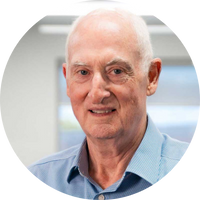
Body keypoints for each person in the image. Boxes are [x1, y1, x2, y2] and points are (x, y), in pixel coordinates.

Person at [25, 8, 191, 199]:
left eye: (117, 71)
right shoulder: (40, 178)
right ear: (67, 80)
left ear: (151, 77)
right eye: (83, 72)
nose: (97, 93)